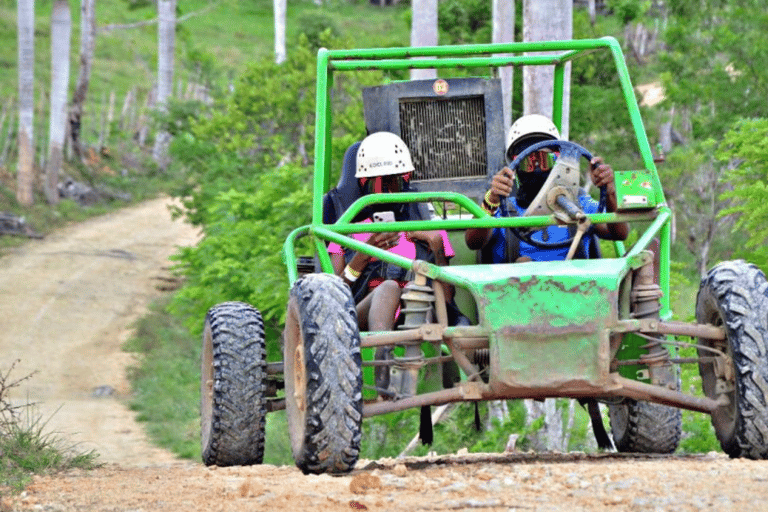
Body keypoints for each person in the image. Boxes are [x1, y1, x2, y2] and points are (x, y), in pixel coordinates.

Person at [327, 132, 456, 332]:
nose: (387, 193)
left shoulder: (428, 227)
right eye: (377, 185)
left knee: (417, 297)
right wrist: (361, 256)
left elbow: (447, 301)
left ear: (405, 182)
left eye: (393, 183)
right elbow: (333, 301)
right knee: (388, 288)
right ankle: (382, 357)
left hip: (418, 314)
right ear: (363, 185)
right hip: (359, 319)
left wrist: (437, 250)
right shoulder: (347, 231)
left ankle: (412, 356)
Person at [465, 114, 629, 261]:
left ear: (557, 160)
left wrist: (609, 191)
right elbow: (472, 242)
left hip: (575, 289)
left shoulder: (578, 204)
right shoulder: (503, 210)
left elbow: (619, 233)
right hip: (517, 290)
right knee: (524, 265)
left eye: (544, 160)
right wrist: (492, 198)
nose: (536, 168)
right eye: (528, 162)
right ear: (515, 166)